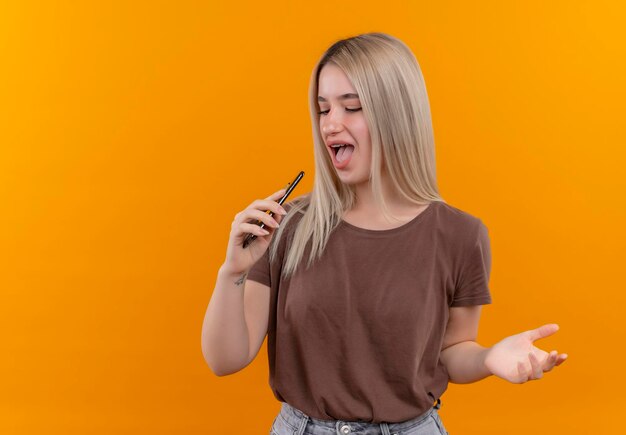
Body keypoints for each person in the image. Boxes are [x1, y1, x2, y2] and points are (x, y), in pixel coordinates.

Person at [201, 32, 568, 435]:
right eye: (323, 109)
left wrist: (489, 358)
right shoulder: (287, 227)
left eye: (351, 107)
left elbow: (452, 352)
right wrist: (232, 271)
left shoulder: (461, 236)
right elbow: (224, 360)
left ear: (397, 114)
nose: (330, 124)